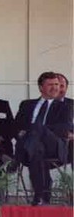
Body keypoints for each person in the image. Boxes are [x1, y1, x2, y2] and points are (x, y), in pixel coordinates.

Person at [15, 72, 71, 206]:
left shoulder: (65, 106)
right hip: (34, 149)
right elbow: (16, 125)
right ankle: (40, 196)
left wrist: (39, 129)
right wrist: (22, 132)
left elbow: (65, 127)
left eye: (57, 84)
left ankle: (16, 160)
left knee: (36, 128)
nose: (55, 87)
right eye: (50, 84)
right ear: (41, 87)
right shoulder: (27, 104)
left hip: (55, 147)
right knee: (37, 150)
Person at [56, 73, 73, 166]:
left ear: (66, 88)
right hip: (49, 146)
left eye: (61, 86)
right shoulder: (35, 106)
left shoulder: (72, 104)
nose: (57, 89)